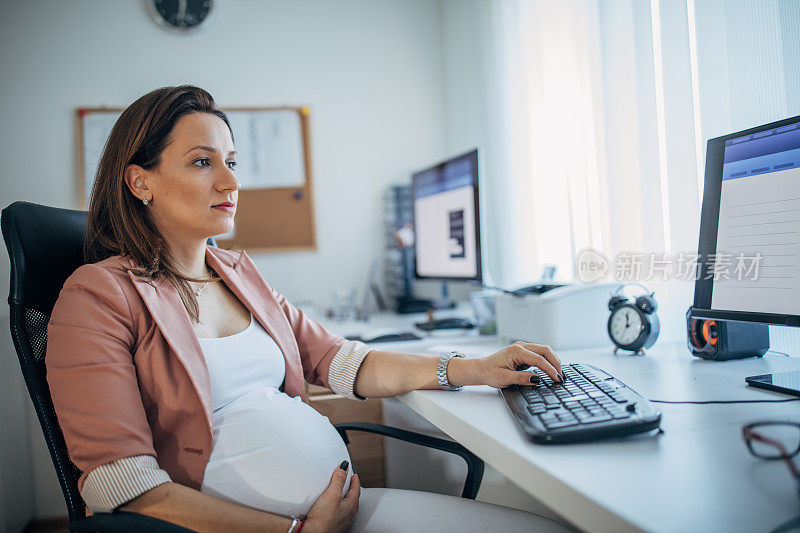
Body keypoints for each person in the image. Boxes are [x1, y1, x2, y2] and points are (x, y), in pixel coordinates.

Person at [45, 85, 572, 533]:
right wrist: (295, 531)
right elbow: (124, 485)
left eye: (231, 162)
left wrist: (471, 368)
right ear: (141, 181)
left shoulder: (236, 273)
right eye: (202, 162)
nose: (230, 182)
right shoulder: (97, 296)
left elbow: (343, 361)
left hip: (338, 513)